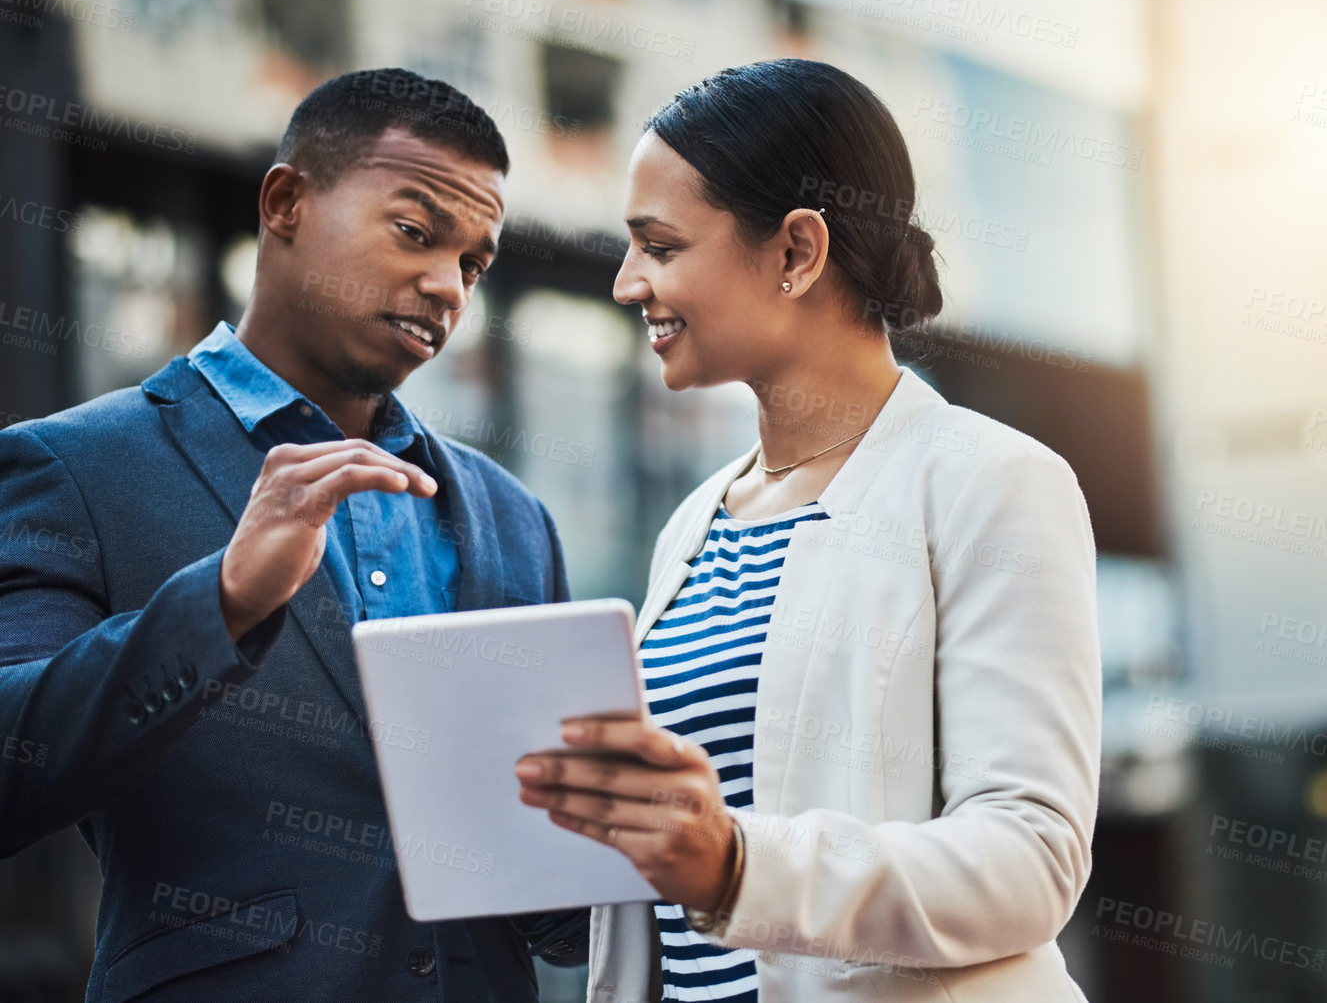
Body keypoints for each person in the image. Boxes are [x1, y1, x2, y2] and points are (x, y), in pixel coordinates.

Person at [514, 58, 1101, 1002]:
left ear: (796, 251)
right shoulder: (695, 524)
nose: (627, 284)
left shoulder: (991, 483)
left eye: (660, 247)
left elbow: (1028, 861)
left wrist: (737, 867)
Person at [0, 68, 588, 1000]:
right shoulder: (73, 470)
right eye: (414, 232)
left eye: (474, 264)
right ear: (285, 203)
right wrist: (224, 602)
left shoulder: (513, 516)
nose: (446, 286)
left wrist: (616, 826)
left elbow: (555, 916)